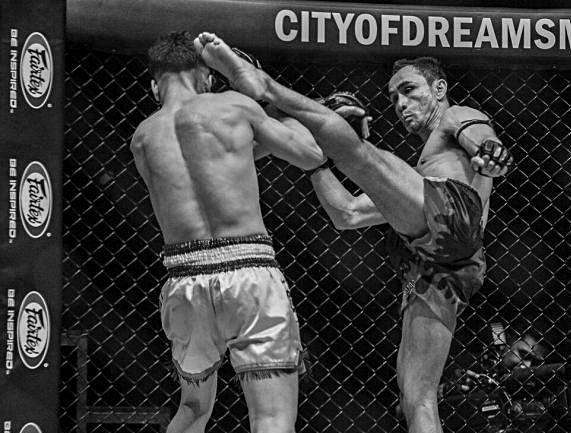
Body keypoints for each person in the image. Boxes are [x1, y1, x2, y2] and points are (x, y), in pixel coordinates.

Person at [194, 32, 513, 433]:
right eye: (393, 98)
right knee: (415, 395)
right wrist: (317, 161)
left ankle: (265, 86)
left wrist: (490, 150)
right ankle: (309, 122)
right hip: (437, 268)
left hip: (453, 220)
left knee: (361, 153)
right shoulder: (418, 183)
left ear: (439, 89)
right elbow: (346, 213)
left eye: (409, 90)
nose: (400, 104)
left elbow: (478, 133)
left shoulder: (453, 118)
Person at [130, 31, 324, 433]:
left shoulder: (143, 139)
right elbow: (310, 154)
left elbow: (201, 169)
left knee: (192, 409)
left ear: (154, 86)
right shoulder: (234, 106)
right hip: (248, 272)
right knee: (271, 417)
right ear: (206, 77)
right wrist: (272, 104)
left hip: (184, 282)